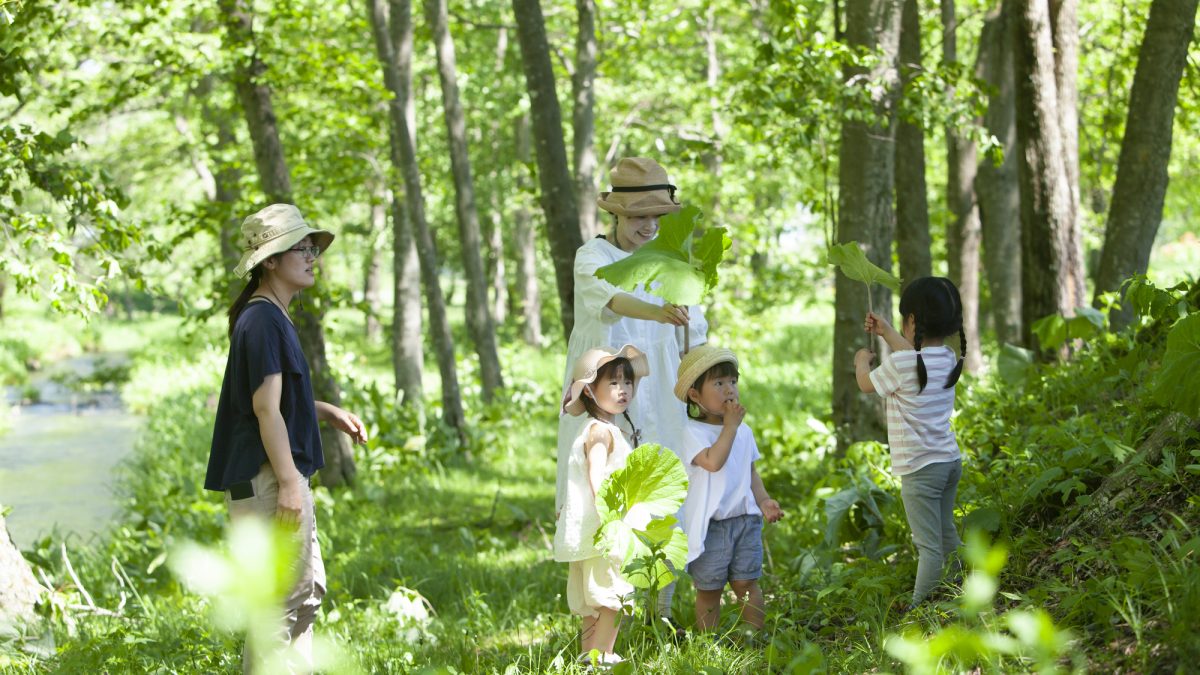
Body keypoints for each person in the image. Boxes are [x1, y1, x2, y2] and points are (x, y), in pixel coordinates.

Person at [205, 203, 368, 671]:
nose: (312, 255)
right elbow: (263, 410)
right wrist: (292, 483)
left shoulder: (271, 317)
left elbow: (271, 405)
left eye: (312, 247)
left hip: (276, 478)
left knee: (305, 596)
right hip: (268, 483)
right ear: (270, 261)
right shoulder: (262, 321)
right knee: (277, 607)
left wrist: (324, 412)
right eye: (300, 247)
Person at [556, 157, 707, 629]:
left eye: (657, 216)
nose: (648, 226)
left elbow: (696, 331)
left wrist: (699, 376)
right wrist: (658, 312)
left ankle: (658, 611)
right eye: (638, 215)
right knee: (604, 489)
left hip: (662, 387)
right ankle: (602, 614)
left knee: (664, 482)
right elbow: (612, 298)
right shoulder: (592, 256)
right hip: (609, 389)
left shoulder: (673, 259)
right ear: (616, 213)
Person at [854, 276, 966, 608]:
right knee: (947, 534)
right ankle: (961, 590)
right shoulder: (946, 357)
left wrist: (862, 362)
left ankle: (920, 610)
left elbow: (865, 384)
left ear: (913, 320)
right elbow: (914, 358)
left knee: (928, 546)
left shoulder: (901, 364)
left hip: (920, 470)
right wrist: (888, 332)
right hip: (948, 462)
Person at [673, 345, 784, 633]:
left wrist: (764, 500)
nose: (729, 390)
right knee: (709, 589)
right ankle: (707, 644)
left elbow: (750, 472)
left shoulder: (743, 431)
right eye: (719, 383)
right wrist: (730, 428)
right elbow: (713, 462)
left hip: (745, 521)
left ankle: (754, 637)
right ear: (695, 395)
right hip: (712, 526)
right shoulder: (691, 432)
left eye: (733, 382)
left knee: (747, 583)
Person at [554, 345, 649, 668]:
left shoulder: (603, 429)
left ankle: (587, 659)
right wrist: (609, 516)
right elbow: (595, 474)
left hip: (589, 531)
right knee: (612, 596)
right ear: (591, 392)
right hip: (603, 529)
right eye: (613, 383)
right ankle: (603, 658)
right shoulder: (600, 431)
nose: (623, 390)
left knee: (592, 600)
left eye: (627, 382)